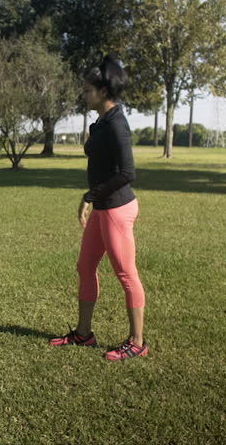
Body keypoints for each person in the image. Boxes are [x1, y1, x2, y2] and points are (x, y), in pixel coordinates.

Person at [50, 55, 148, 361]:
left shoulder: (118, 124)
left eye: (89, 89)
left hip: (116, 209)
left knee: (125, 274)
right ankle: (83, 334)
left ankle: (137, 342)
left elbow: (127, 173)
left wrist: (90, 196)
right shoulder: (104, 121)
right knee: (85, 267)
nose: (85, 93)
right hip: (103, 208)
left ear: (104, 91)